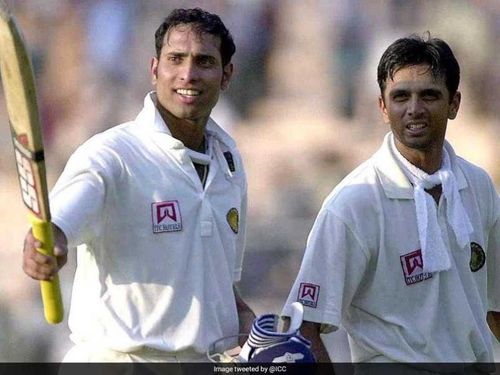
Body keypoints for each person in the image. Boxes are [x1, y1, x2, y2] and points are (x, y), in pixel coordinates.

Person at [22, 8, 255, 362]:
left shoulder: (229, 162)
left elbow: (222, 287)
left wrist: (257, 337)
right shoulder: (112, 154)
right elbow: (56, 226)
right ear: (154, 70)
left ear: (226, 75)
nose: (188, 74)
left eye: (204, 61)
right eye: (176, 59)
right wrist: (45, 243)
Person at [282, 34, 500, 365]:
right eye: (401, 97)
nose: (414, 109)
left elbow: (494, 305)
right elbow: (301, 325)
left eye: (429, 95)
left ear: (454, 104)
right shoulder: (354, 203)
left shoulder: (478, 186)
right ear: (383, 107)